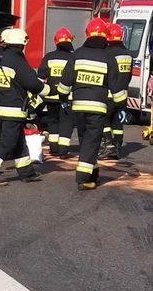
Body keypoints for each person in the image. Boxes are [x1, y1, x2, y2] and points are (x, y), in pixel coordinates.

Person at [57, 18, 126, 190]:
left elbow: (65, 82)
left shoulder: (77, 54)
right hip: (97, 108)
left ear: (87, 34)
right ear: (105, 37)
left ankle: (93, 175)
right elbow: (116, 86)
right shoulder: (108, 57)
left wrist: (63, 97)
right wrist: (121, 106)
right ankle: (83, 179)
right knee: (91, 142)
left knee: (86, 141)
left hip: (78, 107)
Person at [0, 28, 52, 186]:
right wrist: (50, 91)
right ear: (21, 44)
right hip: (14, 108)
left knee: (18, 141)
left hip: (0, 106)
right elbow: (32, 82)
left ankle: (27, 172)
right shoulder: (17, 60)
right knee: (8, 141)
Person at [38, 27, 75, 158]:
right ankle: (63, 151)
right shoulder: (73, 57)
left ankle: (53, 148)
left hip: (51, 97)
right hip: (68, 97)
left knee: (53, 121)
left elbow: (40, 78)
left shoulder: (49, 57)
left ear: (56, 42)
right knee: (66, 123)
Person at [98, 23, 132, 159]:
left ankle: (109, 145)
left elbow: (106, 74)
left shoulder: (107, 53)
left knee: (104, 119)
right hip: (123, 94)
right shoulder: (128, 54)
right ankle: (118, 146)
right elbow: (129, 76)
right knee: (117, 122)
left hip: (109, 94)